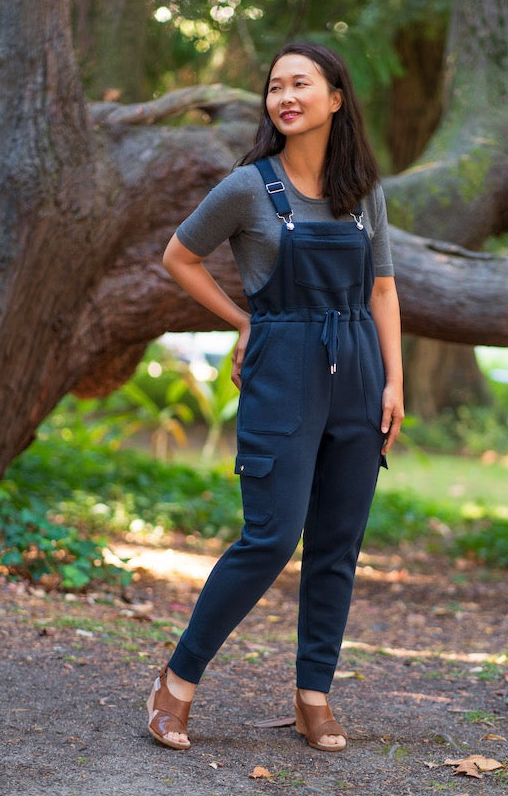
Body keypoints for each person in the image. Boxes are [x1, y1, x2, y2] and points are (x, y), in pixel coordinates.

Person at [148, 40, 404, 753]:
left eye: (301, 84)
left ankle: (312, 697)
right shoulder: (248, 188)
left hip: (358, 367)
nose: (285, 96)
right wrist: (244, 321)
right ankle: (176, 683)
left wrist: (395, 381)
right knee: (270, 538)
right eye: (275, 86)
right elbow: (180, 255)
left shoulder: (364, 192)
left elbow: (383, 290)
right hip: (282, 364)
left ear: (335, 98)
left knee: (337, 546)